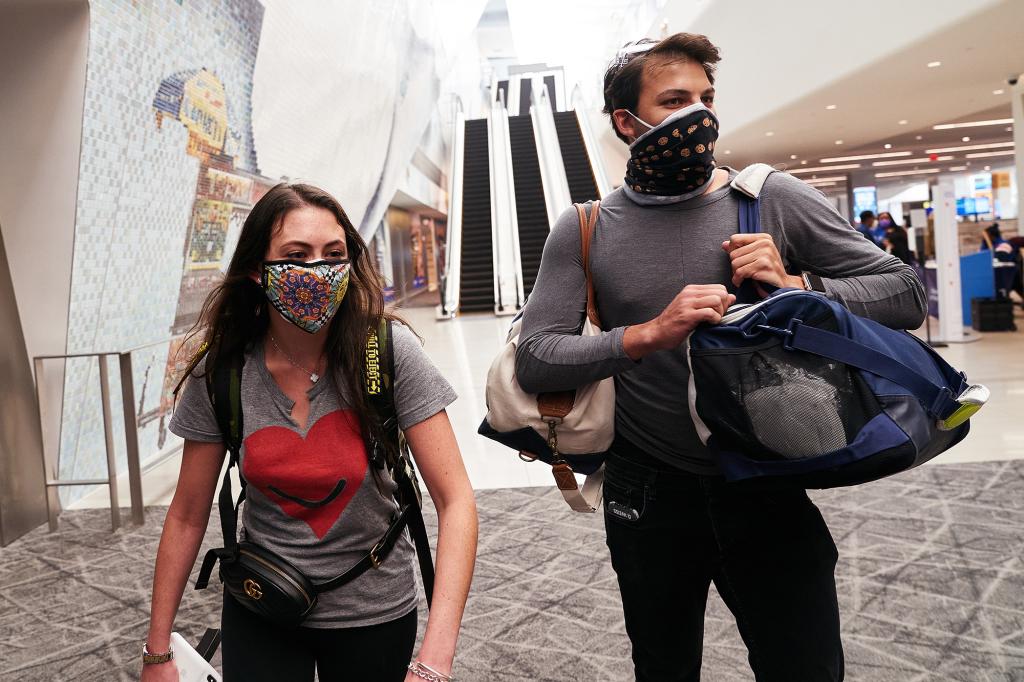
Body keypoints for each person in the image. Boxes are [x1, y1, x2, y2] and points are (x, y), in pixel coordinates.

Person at [515, 33, 926, 681]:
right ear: (627, 122)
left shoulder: (769, 200)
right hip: (647, 489)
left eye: (706, 99)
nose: (698, 115)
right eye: (674, 100)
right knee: (664, 666)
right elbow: (535, 357)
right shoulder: (587, 227)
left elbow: (905, 293)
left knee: (804, 665)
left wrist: (799, 287)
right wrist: (646, 335)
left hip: (766, 479)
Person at [142, 183, 477, 682]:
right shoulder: (224, 371)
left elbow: (456, 501)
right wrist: (157, 650)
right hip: (263, 599)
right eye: (296, 255)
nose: (317, 270)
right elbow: (189, 513)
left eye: (333, 254)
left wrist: (436, 659)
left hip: (374, 610)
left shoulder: (386, 353)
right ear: (258, 270)